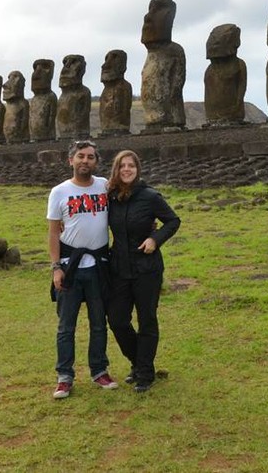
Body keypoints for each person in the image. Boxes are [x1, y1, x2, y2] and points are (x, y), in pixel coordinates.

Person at [48, 140, 119, 399]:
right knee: (66, 325)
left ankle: (99, 370)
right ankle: (64, 376)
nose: (85, 161)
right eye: (80, 156)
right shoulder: (59, 192)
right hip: (70, 267)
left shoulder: (104, 185)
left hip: (99, 266)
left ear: (96, 162)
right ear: (71, 160)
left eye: (90, 157)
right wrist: (56, 268)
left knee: (99, 323)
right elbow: (54, 233)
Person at [106, 150, 181, 393]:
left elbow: (172, 220)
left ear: (138, 169)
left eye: (131, 166)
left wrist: (155, 239)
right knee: (117, 320)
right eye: (122, 166)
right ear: (116, 170)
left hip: (146, 268)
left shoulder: (150, 196)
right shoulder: (111, 197)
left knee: (147, 318)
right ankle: (138, 363)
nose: (126, 169)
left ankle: (145, 373)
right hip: (119, 267)